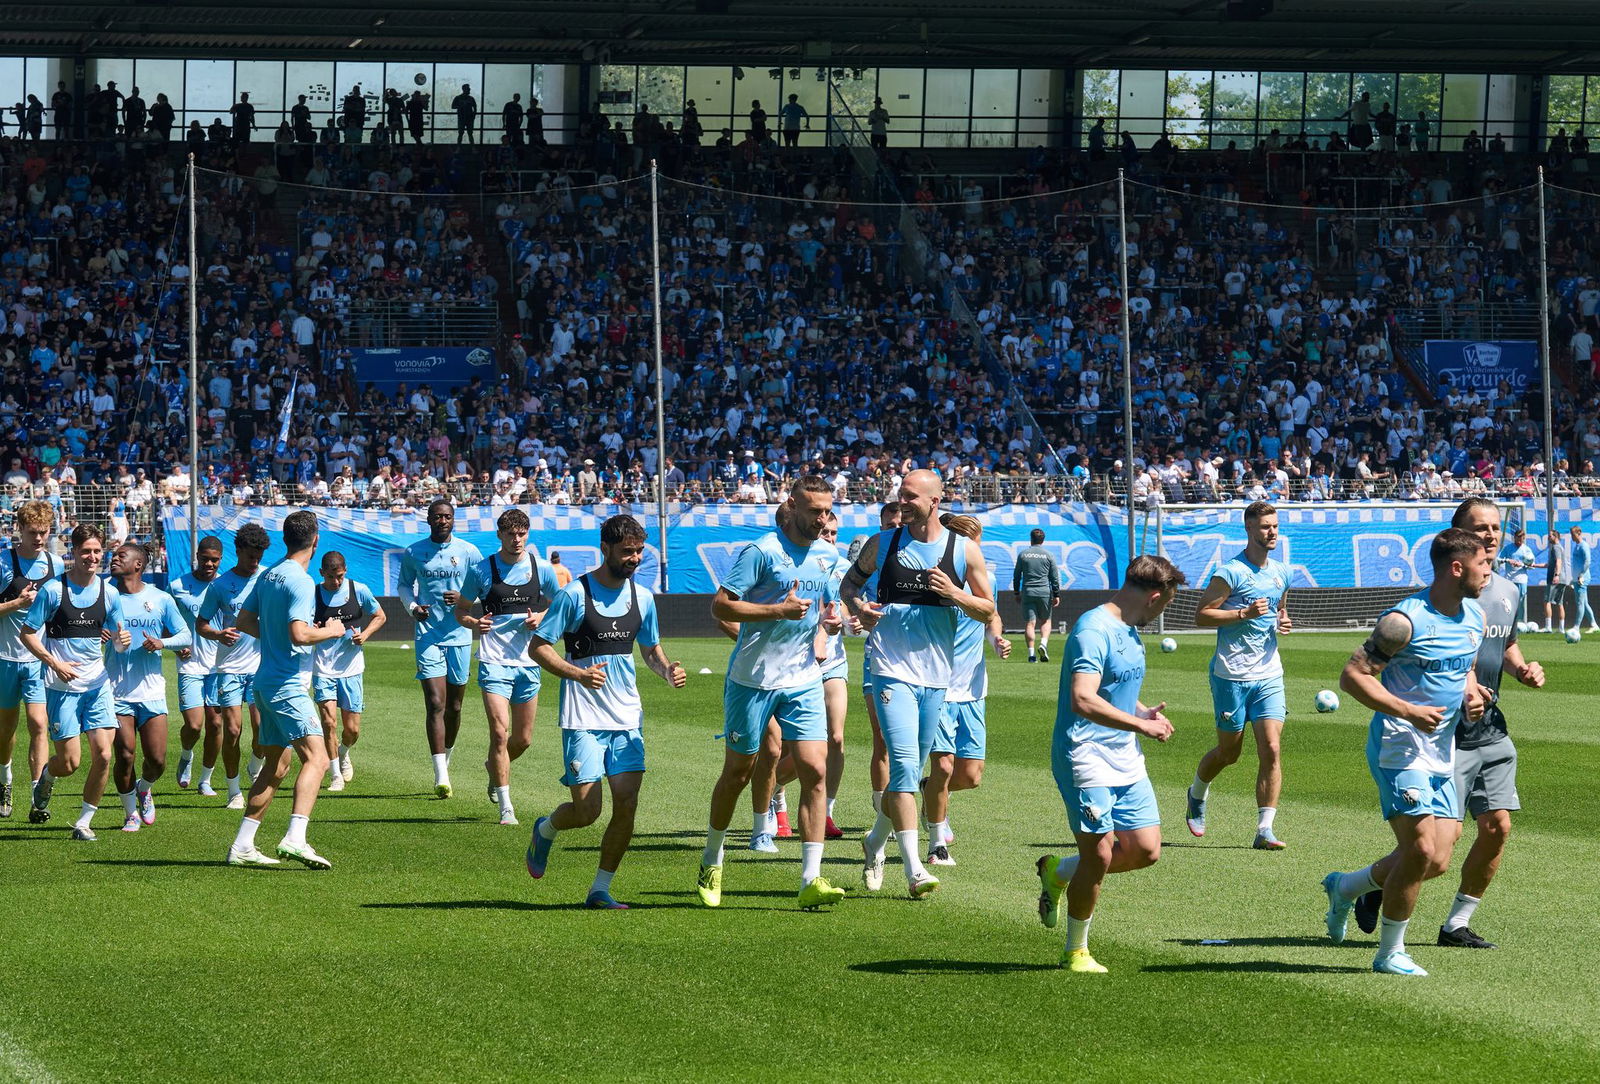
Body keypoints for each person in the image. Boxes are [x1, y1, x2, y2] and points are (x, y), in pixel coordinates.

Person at [1353, 498, 1546, 950]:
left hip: (1490, 727)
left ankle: (1455, 924)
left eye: (1496, 528)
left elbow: (1505, 644)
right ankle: (1365, 886)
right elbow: (1449, 663)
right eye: (1480, 529)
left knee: (1498, 826)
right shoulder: (1433, 605)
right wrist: (1460, 690)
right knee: (1434, 855)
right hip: (1443, 733)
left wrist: (1520, 670)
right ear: (1458, 537)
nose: (1491, 536)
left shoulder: (1504, 592)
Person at [1322, 528, 1489, 977]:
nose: (1488, 569)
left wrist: (1473, 694)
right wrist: (1407, 710)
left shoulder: (1473, 616)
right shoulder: (1404, 621)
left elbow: (1464, 668)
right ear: (1457, 568)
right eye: (1482, 562)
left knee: (1435, 859)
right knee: (1417, 850)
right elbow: (1353, 676)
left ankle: (1345, 887)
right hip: (1400, 747)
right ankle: (1389, 953)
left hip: (1441, 752)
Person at [842, 470, 996, 900]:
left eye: (911, 497)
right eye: (900, 495)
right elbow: (850, 582)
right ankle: (913, 868)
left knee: (916, 764)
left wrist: (956, 593)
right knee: (906, 763)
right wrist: (860, 608)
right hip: (889, 668)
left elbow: (988, 610)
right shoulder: (883, 543)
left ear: (935, 500)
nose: (902, 502)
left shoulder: (962, 551)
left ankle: (874, 840)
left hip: (937, 676)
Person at [697, 476, 848, 911]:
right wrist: (774, 610)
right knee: (738, 774)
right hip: (752, 680)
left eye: (827, 510)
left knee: (815, 770)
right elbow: (721, 606)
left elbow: (825, 609)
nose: (823, 518)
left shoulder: (827, 555)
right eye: (815, 510)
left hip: (803, 680)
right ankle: (712, 858)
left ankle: (810, 877)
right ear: (793, 506)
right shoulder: (761, 552)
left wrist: (833, 622)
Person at [525, 515, 686, 908]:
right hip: (582, 718)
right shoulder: (574, 595)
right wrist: (578, 674)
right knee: (586, 811)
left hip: (627, 717)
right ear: (606, 548)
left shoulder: (643, 597)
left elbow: (649, 649)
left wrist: (667, 670)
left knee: (627, 804)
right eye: (627, 551)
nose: (634, 558)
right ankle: (545, 829)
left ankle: (600, 889)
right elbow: (539, 647)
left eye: (639, 551)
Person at [1035, 555, 1184, 971]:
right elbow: (1082, 698)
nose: (1163, 612)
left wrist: (1142, 712)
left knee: (1145, 850)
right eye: (1167, 604)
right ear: (1154, 597)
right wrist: (1139, 726)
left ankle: (1058, 872)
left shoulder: (1129, 629)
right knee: (1098, 854)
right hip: (1084, 754)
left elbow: (1111, 687)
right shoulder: (1093, 630)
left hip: (1123, 756)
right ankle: (1075, 950)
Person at [225, 510, 348, 868]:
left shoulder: (269, 575)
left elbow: (244, 620)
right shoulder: (300, 581)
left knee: (276, 767)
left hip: (265, 682)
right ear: (315, 540)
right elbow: (300, 633)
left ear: (284, 539)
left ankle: (242, 846)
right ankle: (295, 838)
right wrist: (333, 631)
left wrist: (276, 635)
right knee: (319, 758)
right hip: (286, 684)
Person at [1185, 500, 1295, 849]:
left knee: (1272, 749)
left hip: (1268, 674)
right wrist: (1242, 614)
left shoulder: (1282, 572)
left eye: (1275, 525)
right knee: (1229, 753)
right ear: (1249, 529)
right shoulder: (1230, 572)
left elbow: (1280, 609)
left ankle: (1264, 830)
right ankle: (1197, 793)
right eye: (1265, 526)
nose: (1272, 531)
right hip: (1231, 675)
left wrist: (1283, 621)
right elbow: (1202, 616)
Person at [19, 525, 127, 839]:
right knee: (69, 763)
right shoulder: (53, 590)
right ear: (74, 552)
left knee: (105, 754)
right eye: (85, 551)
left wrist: (122, 640)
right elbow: (28, 633)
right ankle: (46, 778)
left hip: (98, 685)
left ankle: (83, 823)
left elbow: (118, 643)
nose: (92, 557)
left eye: (97, 551)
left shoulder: (111, 593)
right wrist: (55, 662)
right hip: (60, 687)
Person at [453, 508, 560, 825]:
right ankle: (506, 806)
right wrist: (474, 622)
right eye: (510, 534)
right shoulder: (481, 569)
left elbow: (562, 604)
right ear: (499, 535)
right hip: (494, 662)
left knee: (523, 739)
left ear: (528, 534)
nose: (516, 539)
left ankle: (494, 766)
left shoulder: (541, 568)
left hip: (530, 662)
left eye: (522, 533)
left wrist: (541, 617)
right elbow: (461, 610)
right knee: (500, 733)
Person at [923, 518, 1011, 866]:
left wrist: (996, 639)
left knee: (970, 776)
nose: (975, 550)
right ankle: (936, 840)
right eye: (968, 542)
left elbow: (991, 616)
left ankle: (929, 790)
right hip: (938, 685)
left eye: (977, 542)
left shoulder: (986, 578)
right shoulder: (934, 581)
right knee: (944, 767)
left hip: (973, 687)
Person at [399, 499, 483, 797]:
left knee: (455, 706)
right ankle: (441, 775)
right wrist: (412, 607)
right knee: (436, 702)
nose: (442, 521)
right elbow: (404, 585)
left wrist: (464, 599)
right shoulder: (414, 552)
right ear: (429, 519)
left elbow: (483, 587)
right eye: (437, 516)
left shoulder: (468, 552)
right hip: (427, 634)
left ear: (453, 520)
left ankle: (445, 758)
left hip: (460, 635)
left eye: (447, 516)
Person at [106, 542, 191, 832]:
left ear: (138, 565)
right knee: (125, 754)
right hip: (115, 690)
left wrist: (161, 643)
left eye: (121, 556)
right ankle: (130, 813)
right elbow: (86, 632)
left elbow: (185, 635)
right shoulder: (104, 595)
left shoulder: (161, 598)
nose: (113, 559)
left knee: (156, 760)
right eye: (114, 555)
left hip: (151, 691)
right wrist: (100, 635)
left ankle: (145, 788)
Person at [197, 525, 269, 809]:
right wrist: (218, 634)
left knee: (262, 728)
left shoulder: (267, 578)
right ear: (238, 552)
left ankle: (255, 763)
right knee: (233, 730)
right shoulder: (220, 585)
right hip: (228, 667)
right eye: (250, 556)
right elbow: (201, 624)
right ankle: (233, 790)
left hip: (261, 666)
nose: (255, 562)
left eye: (259, 556)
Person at [0, 500, 63, 821]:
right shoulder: (3, 562)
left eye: (45, 532)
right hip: (5, 659)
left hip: (39, 659)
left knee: (39, 724)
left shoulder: (57, 564)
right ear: (19, 530)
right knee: (5, 731)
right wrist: (16, 602)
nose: (39, 538)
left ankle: (38, 794)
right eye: (33, 532)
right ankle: (5, 780)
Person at [311, 551, 385, 794]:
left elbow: (380, 616)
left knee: (352, 730)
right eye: (331, 577)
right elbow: (300, 624)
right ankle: (334, 775)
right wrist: (311, 628)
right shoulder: (312, 594)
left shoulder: (358, 590)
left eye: (340, 576)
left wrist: (364, 635)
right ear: (322, 573)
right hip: (322, 668)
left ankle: (344, 751)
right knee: (328, 722)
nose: (336, 582)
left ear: (346, 572)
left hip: (351, 669)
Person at [852, 501, 902, 838]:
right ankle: (882, 806)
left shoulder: (922, 554)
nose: (896, 525)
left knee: (913, 742)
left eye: (900, 520)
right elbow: (850, 590)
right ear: (882, 522)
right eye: (890, 521)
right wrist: (859, 612)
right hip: (877, 653)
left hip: (915, 657)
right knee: (882, 738)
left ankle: (921, 800)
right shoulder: (873, 555)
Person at [171, 536, 224, 795]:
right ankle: (186, 754)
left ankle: (205, 779)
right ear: (197, 556)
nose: (209, 564)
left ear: (221, 560)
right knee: (194, 725)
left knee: (216, 724)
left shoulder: (227, 585)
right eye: (205, 559)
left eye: (214, 560)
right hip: (190, 665)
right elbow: (164, 620)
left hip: (220, 667)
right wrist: (174, 644)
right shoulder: (178, 586)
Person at [1013, 528, 1060, 662]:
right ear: (1043, 540)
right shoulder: (1049, 555)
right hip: (1044, 591)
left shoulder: (1023, 555)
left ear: (1031, 539)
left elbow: (1017, 576)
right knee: (1045, 621)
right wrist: (1056, 594)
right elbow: (1054, 577)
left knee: (1030, 623)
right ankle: (1043, 644)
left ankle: (1031, 655)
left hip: (1028, 591)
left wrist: (1017, 592)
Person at [1500, 527, 1535, 627]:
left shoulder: (1527, 550)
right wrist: (1507, 560)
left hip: (1522, 579)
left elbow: (1532, 566)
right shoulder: (1508, 548)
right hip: (1509, 579)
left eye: (1522, 539)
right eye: (1518, 539)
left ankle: (1519, 622)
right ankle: (1508, 622)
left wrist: (1524, 565)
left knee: (1520, 601)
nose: (1520, 541)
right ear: (1514, 538)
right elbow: (1498, 559)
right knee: (1509, 601)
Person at [1566, 525, 1596, 632]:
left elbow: (1587, 561)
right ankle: (1594, 625)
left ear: (1579, 533)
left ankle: (1576, 627)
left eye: (1573, 535)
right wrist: (1573, 578)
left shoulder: (1584, 546)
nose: (1572, 537)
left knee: (1579, 603)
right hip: (1577, 578)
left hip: (1582, 579)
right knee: (1584, 603)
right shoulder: (1577, 546)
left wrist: (1581, 575)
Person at [1541, 529, 1566, 632]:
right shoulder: (1560, 547)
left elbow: (1558, 562)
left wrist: (1556, 575)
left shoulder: (1556, 547)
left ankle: (1548, 627)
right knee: (1559, 603)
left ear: (1555, 537)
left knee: (1547, 601)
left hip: (1555, 579)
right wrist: (1534, 565)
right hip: (1562, 579)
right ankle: (1561, 629)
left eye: (1550, 536)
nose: (1548, 538)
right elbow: (1549, 564)